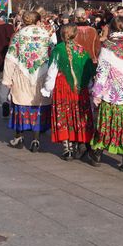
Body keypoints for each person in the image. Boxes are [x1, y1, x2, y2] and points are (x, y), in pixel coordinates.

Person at [89, 17, 123, 172]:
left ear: (111, 29)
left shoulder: (107, 46)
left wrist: (96, 93)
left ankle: (98, 154)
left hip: (110, 93)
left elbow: (102, 73)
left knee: (106, 123)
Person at [41, 23, 95, 160]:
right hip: (79, 87)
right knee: (77, 114)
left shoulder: (58, 49)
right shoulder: (82, 50)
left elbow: (52, 71)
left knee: (64, 113)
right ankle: (79, 141)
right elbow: (88, 71)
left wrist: (47, 88)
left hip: (62, 86)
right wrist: (89, 87)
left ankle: (67, 148)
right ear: (75, 34)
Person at [3, 11, 53, 151]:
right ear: (38, 21)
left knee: (20, 104)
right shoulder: (45, 35)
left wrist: (7, 78)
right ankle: (36, 139)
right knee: (37, 106)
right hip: (41, 74)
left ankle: (19, 137)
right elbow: (51, 56)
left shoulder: (18, 35)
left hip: (22, 75)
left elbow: (10, 58)